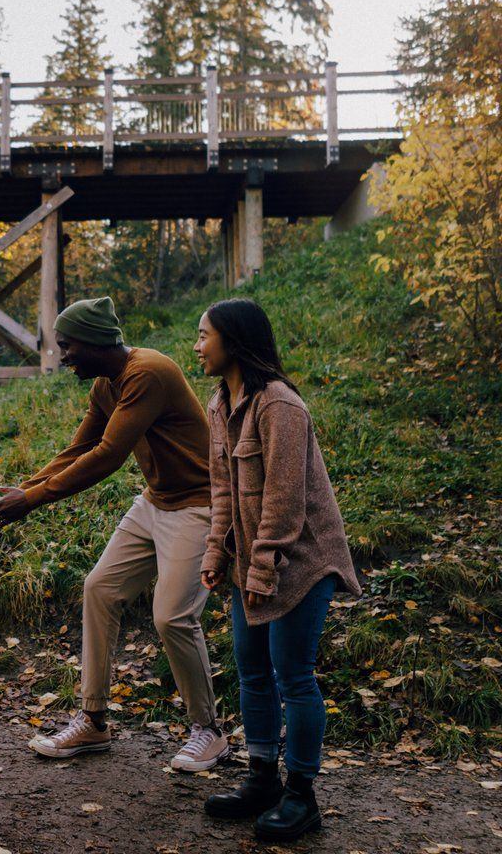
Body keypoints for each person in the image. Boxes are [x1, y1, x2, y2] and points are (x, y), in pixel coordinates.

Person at [0, 297, 227, 772]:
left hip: (198, 506)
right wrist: (26, 490)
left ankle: (208, 730)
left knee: (171, 618)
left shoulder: (147, 373)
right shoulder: (106, 384)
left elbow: (107, 456)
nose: (63, 357)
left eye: (67, 346)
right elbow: (79, 447)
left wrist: (31, 500)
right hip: (156, 501)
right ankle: (94, 721)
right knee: (99, 589)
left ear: (96, 341)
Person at [194, 299, 361, 842]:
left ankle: (301, 796)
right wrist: (217, 554)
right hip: (252, 562)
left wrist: (263, 565)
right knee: (252, 672)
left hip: (303, 561)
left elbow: (286, 502)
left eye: (203, 336)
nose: (196, 346)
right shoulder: (220, 404)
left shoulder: (280, 406)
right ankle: (262, 778)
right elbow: (223, 491)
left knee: (292, 675)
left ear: (233, 341)